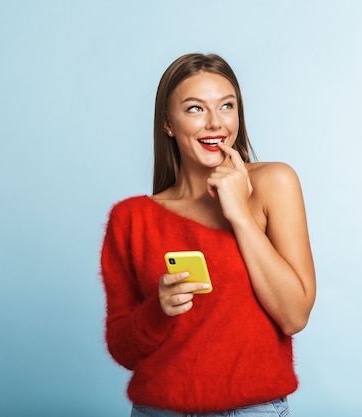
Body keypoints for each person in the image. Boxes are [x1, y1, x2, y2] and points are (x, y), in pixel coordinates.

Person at [100, 53, 316, 416]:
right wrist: (159, 310)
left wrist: (240, 216)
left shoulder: (274, 183)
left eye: (226, 106)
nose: (215, 123)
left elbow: (294, 316)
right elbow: (123, 349)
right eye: (195, 109)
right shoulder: (130, 218)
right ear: (168, 123)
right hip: (158, 410)